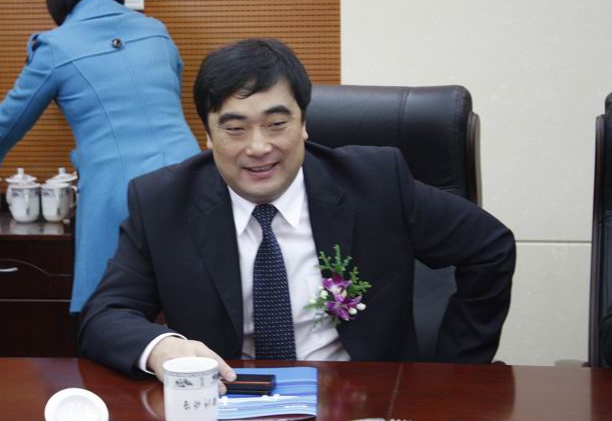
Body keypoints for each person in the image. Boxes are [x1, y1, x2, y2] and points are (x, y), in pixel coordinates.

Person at [79, 38, 516, 385]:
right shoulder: (162, 202)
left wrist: (453, 373)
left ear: (304, 123)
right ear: (208, 136)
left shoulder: (377, 183)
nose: (258, 147)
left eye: (276, 124)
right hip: (232, 398)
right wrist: (162, 349)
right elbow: (104, 315)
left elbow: (489, 246)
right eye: (235, 129)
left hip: (361, 399)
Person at [0, 0, 200, 312]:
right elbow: (172, 93)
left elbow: (12, 117)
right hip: (191, 176)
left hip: (119, 190)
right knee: (194, 301)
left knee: (110, 310)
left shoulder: (56, 47)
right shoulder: (157, 31)